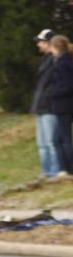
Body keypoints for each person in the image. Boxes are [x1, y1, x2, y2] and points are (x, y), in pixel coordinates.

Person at [31, 29, 62, 178]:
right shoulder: (45, 60)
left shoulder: (56, 61)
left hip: (50, 106)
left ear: (49, 43)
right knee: (42, 143)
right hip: (41, 106)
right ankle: (46, 171)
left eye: (41, 41)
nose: (38, 45)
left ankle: (55, 171)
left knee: (51, 142)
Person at [47, 34, 73, 177]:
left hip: (64, 106)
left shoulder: (64, 63)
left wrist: (54, 93)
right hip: (61, 106)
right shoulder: (62, 61)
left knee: (64, 139)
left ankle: (68, 169)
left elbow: (68, 85)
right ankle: (64, 168)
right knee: (58, 139)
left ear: (55, 47)